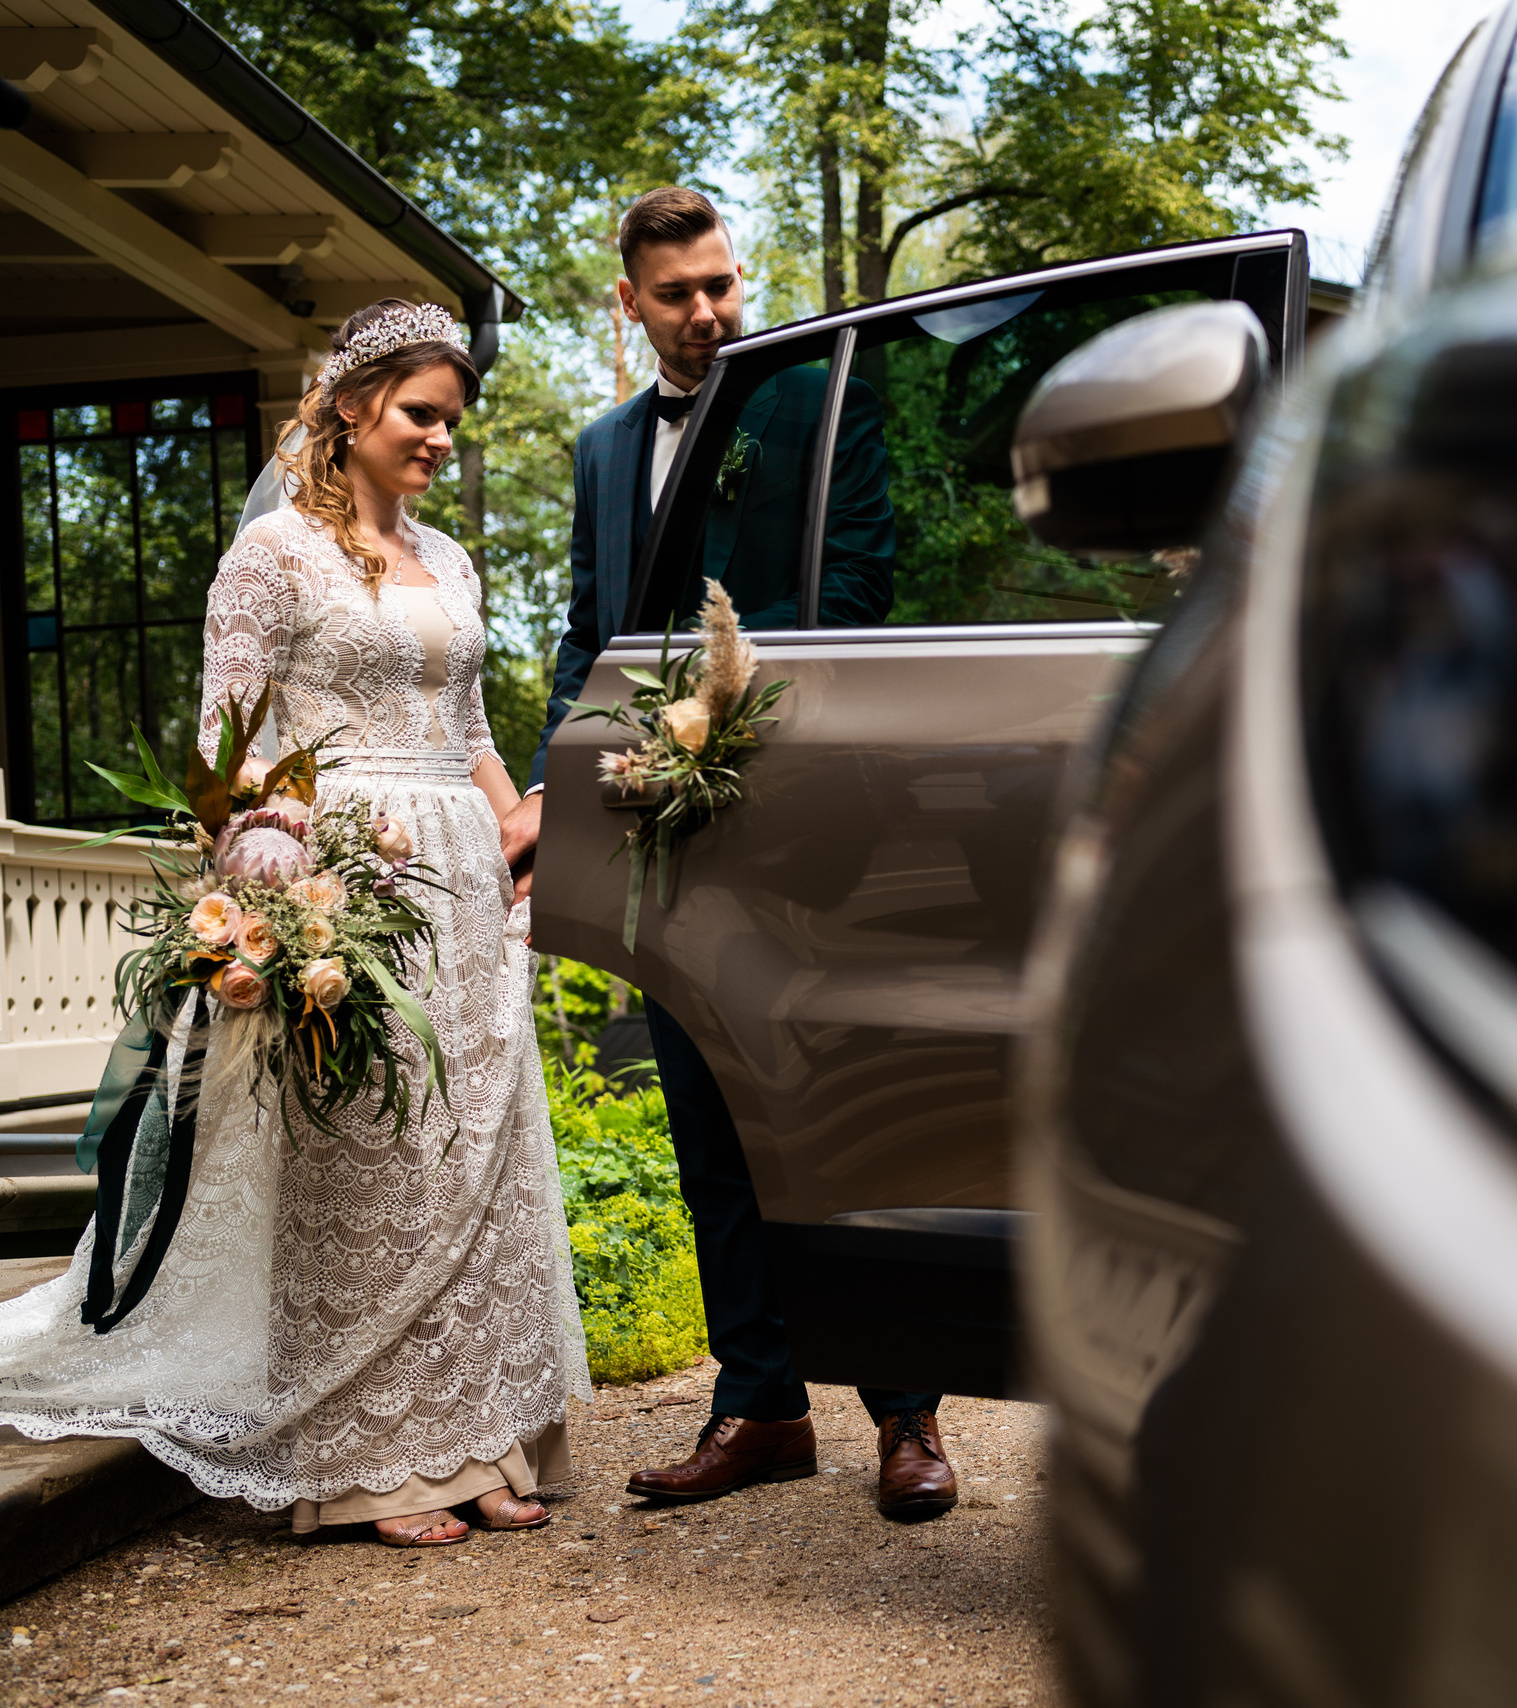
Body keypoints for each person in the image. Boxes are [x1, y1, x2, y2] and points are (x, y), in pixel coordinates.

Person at [0, 301, 585, 1548]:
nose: (439, 439)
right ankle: (375, 1464)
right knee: (372, 1162)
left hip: (467, 884)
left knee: (469, 1163)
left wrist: (524, 841)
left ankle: (478, 1439)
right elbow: (233, 746)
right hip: (351, 877)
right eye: (423, 415)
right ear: (356, 403)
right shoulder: (275, 559)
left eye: (451, 422)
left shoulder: (451, 559)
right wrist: (273, 868)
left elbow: (473, 730)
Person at [499, 187, 958, 1520]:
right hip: (665, 843)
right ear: (628, 304)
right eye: (677, 294)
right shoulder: (597, 450)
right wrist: (560, 792)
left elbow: (858, 598)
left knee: (847, 1115)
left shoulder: (818, 406)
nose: (707, 312)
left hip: (814, 824)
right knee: (708, 1127)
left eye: (720, 285)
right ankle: (759, 1404)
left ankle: (908, 1415)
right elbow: (590, 642)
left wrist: (733, 730)